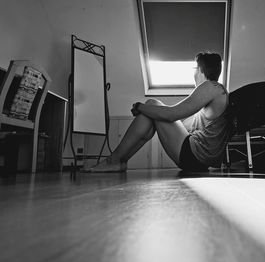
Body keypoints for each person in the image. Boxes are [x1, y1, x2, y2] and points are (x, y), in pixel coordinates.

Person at [85, 52, 233, 172]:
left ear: (200, 70)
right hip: (198, 160)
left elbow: (171, 114)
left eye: (195, 69)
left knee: (152, 104)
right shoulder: (216, 92)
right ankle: (119, 161)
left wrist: (141, 107)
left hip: (193, 156)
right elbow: (181, 123)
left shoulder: (210, 87)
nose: (193, 74)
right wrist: (151, 113)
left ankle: (114, 160)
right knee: (151, 114)